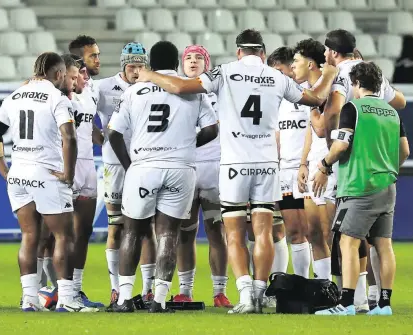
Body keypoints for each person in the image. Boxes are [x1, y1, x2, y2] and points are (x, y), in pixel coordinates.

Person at [136, 29, 339, 313]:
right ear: (263, 53)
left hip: (234, 164)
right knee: (264, 231)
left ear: (238, 52)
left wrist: (151, 75)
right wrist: (329, 73)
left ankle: (244, 297)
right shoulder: (277, 76)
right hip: (267, 163)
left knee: (234, 233)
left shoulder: (224, 72)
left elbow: (182, 87)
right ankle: (258, 294)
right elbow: (316, 98)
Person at [107, 41, 218, 313]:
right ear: (176, 61)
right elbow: (212, 129)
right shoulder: (193, 90)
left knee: (132, 230)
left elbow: (113, 133)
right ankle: (158, 300)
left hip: (144, 166)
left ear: (151, 64)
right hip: (181, 167)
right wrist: (187, 145)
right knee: (169, 232)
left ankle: (123, 299)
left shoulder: (135, 91)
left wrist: (129, 164)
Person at [0, 52, 97, 312]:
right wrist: (68, 175)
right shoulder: (57, 98)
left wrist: (4, 170)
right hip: (46, 172)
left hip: (19, 172)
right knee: (64, 236)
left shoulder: (14, 96)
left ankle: (30, 300)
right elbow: (69, 138)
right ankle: (68, 300)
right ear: (58, 74)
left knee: (29, 236)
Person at [314, 62, 409, 316]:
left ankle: (345, 304)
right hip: (387, 186)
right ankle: (384, 305)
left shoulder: (352, 108)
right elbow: (405, 151)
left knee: (348, 241)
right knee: (383, 244)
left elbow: (341, 145)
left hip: (358, 186)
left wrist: (323, 166)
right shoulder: (392, 113)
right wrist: (388, 168)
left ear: (355, 84)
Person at [96, 42, 157, 305]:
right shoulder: (103, 87)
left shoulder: (151, 87)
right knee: (116, 226)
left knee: (147, 227)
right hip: (114, 165)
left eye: (140, 66)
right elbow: (83, 114)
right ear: (123, 65)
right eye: (131, 66)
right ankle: (116, 289)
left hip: (145, 162)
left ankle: (148, 290)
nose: (136, 71)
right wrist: (98, 137)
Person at [173, 45, 232, 308]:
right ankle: (185, 291)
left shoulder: (220, 90)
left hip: (214, 168)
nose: (194, 61)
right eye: (188, 58)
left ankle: (220, 292)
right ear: (181, 65)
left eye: (199, 58)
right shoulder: (174, 90)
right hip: (185, 168)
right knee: (185, 233)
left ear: (207, 65)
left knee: (217, 231)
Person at [63, 54, 104, 308]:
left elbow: (90, 131)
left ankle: (76, 290)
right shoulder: (59, 96)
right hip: (63, 167)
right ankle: (48, 289)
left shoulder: (89, 95)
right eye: (80, 73)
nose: (84, 78)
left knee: (83, 232)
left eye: (85, 74)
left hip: (88, 167)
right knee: (54, 234)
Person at [291, 39, 333, 281]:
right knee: (314, 233)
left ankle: (353, 294)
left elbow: (319, 128)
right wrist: (303, 163)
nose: (293, 66)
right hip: (314, 165)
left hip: (331, 168)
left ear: (309, 64)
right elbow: (309, 131)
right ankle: (323, 287)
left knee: (331, 234)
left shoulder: (328, 89)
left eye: (296, 61)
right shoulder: (312, 91)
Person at [268, 46, 310, 280]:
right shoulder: (276, 100)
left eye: (279, 70)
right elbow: (276, 136)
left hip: (308, 170)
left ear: (291, 68)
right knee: (293, 232)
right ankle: (300, 285)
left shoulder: (308, 94)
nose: (275, 76)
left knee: (313, 232)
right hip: (284, 173)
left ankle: (326, 284)